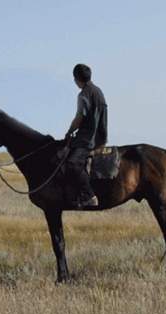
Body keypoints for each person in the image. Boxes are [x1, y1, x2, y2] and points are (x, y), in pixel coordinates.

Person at [64, 64, 108, 208]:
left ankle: (89, 196)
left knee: (72, 164)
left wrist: (70, 131)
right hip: (101, 137)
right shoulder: (98, 91)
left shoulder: (84, 94)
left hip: (87, 139)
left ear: (76, 79)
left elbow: (79, 117)